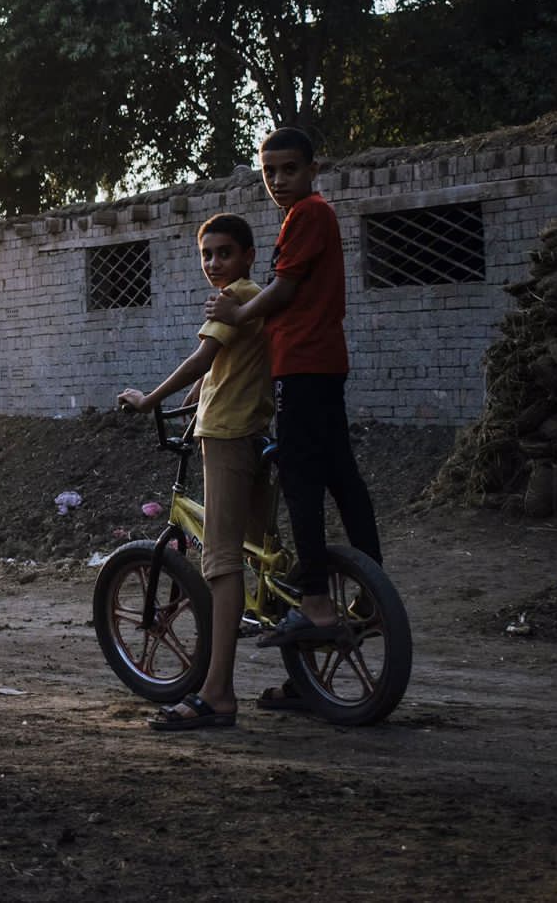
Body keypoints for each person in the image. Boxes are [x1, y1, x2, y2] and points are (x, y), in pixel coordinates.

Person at [205, 127, 383, 712]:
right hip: (323, 364)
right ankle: (367, 591)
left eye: (288, 169)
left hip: (302, 367)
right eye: (270, 172)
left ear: (313, 168)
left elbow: (282, 291)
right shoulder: (311, 217)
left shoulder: (307, 214)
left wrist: (237, 311)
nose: (279, 180)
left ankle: (315, 600)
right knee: (340, 475)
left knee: (302, 481)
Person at [118, 213, 274, 730]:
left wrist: (149, 400)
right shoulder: (255, 299)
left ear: (249, 255)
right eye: (206, 255)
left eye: (224, 252)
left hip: (228, 437)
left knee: (221, 563)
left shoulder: (233, 299)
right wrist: (195, 402)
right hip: (252, 430)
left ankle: (217, 693)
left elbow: (201, 359)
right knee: (265, 551)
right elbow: (223, 369)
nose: (214, 264)